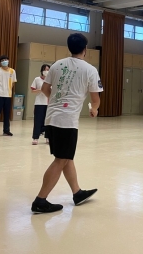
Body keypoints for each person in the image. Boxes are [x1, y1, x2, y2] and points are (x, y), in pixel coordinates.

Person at [31, 33, 103, 213]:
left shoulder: (57, 64)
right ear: (85, 49)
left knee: (66, 157)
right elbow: (95, 99)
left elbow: (45, 89)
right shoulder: (90, 70)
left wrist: (56, 101)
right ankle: (40, 200)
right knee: (61, 159)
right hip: (67, 121)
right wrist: (94, 109)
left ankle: (77, 193)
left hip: (52, 117)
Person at [31, 64, 50, 145]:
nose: (46, 71)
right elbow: (32, 90)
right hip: (39, 103)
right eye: (45, 69)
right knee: (38, 120)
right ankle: (35, 137)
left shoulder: (51, 80)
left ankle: (48, 137)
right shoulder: (37, 79)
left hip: (49, 103)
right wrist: (41, 90)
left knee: (48, 121)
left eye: (48, 69)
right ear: (42, 71)